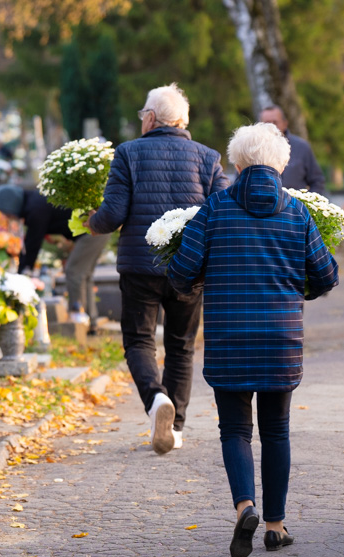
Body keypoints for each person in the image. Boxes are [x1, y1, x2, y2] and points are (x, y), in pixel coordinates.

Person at [168, 122, 339, 557]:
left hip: (229, 338)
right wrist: (297, 292)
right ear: (281, 164)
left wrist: (201, 282)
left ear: (237, 163)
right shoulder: (297, 212)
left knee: (235, 430)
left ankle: (245, 505)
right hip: (281, 338)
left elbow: (182, 273)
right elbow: (326, 275)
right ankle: (276, 526)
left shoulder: (215, 208)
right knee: (277, 431)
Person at [85, 83, 231, 455]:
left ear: (150, 118)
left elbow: (114, 213)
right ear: (183, 121)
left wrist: (92, 222)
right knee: (181, 346)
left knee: (138, 340)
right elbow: (222, 213)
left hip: (139, 264)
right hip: (189, 266)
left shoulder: (128, 153)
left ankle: (155, 401)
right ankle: (176, 427)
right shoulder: (208, 157)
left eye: (141, 116)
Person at [0, 185, 109, 324]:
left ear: (12, 205)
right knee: (84, 274)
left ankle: (79, 319)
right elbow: (31, 240)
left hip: (93, 230)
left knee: (74, 272)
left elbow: (33, 243)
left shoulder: (35, 208)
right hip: (97, 226)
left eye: (7, 213)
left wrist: (21, 274)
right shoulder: (34, 202)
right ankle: (91, 320)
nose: (8, 217)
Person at [259, 105, 326, 196]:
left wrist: (306, 204)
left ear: (285, 123)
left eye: (275, 122)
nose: (271, 127)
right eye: (267, 123)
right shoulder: (252, 149)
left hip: (295, 207)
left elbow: (317, 181)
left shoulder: (302, 147)